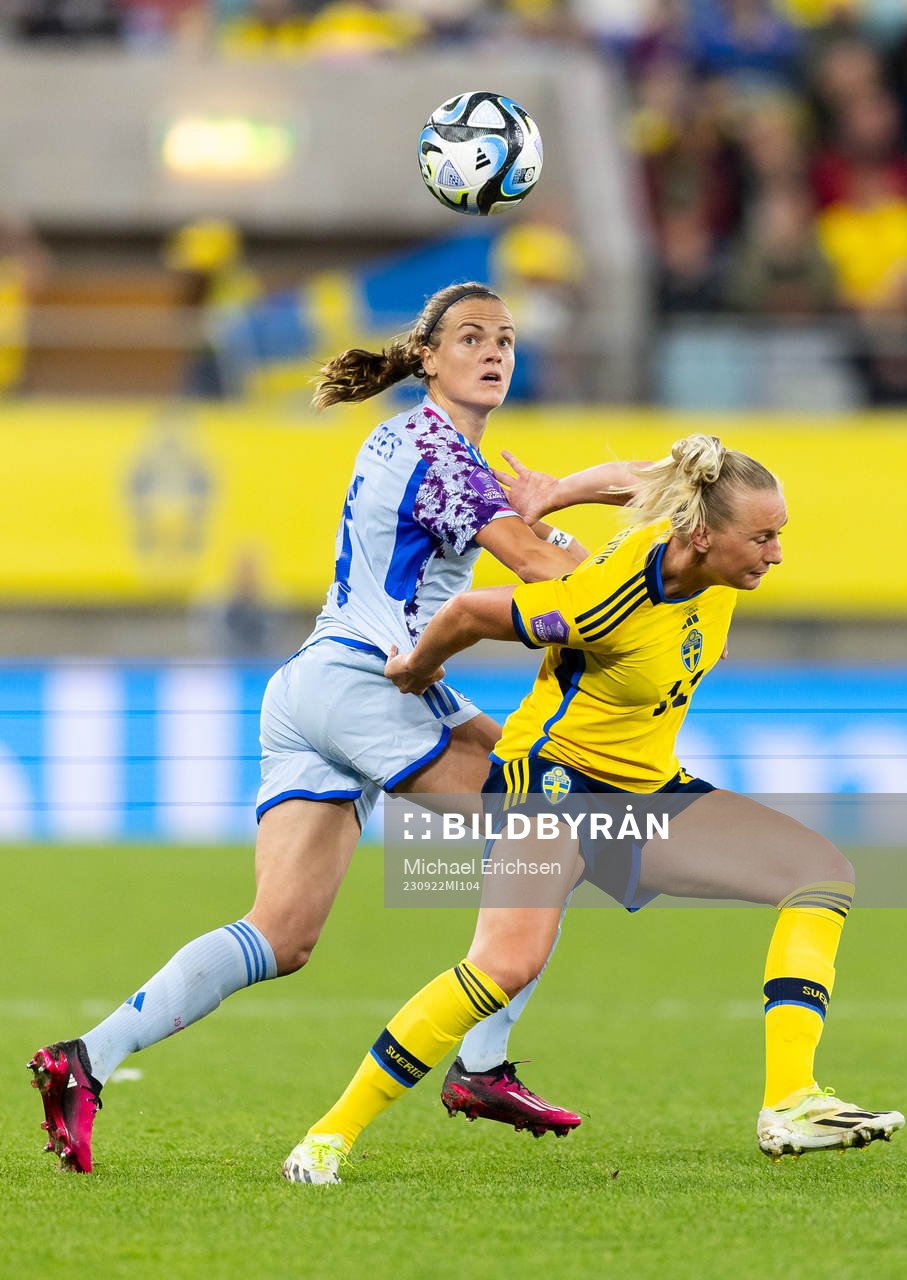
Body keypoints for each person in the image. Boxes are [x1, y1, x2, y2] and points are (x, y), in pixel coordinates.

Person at [28, 281, 645, 1174]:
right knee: (554, 823)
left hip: (312, 687)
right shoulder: (445, 457)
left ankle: (87, 1058)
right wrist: (616, 543)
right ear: (428, 356)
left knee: (281, 934)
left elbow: (513, 552)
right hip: (369, 685)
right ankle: (478, 1065)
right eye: (471, 337)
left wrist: (558, 505)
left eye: (505, 339)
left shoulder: (412, 441)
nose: (494, 351)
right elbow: (544, 574)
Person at [283, 432, 905, 1184]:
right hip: (555, 787)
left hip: (647, 790)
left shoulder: (698, 536)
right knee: (504, 965)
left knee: (821, 874)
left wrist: (552, 493)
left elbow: (637, 478)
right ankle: (327, 1136)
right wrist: (416, 667)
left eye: (780, 535)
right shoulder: (603, 605)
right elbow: (476, 611)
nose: (776, 554)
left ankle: (790, 1102)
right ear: (704, 538)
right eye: (763, 538)